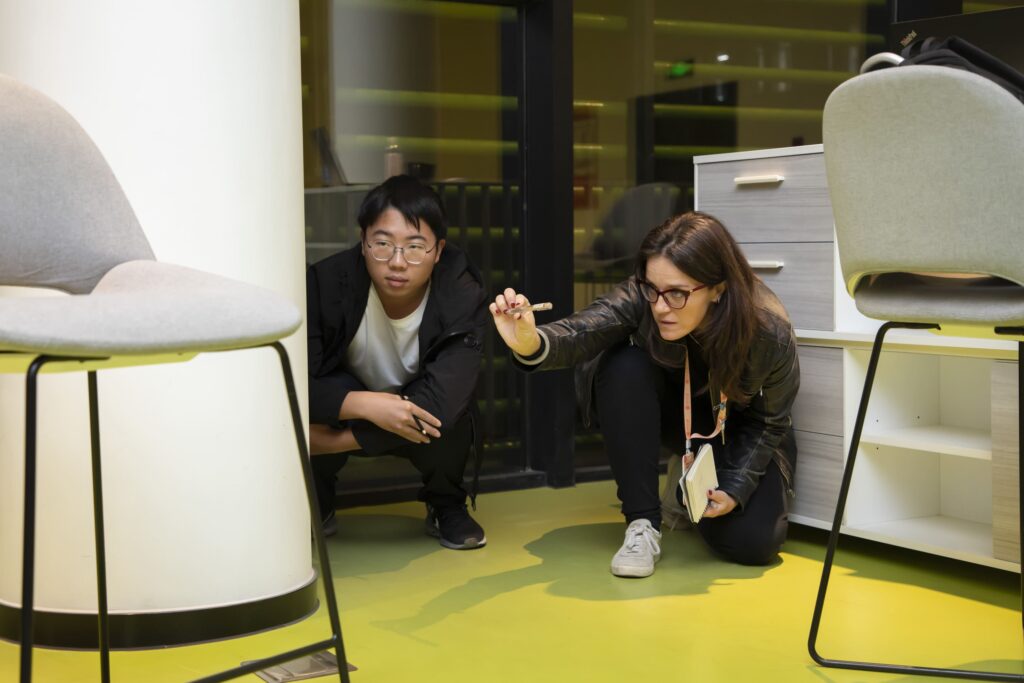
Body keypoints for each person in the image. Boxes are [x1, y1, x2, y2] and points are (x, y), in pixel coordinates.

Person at [490, 211, 799, 576]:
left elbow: (768, 421)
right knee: (623, 364)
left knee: (754, 545)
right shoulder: (646, 296)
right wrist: (529, 341)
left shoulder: (768, 331)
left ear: (719, 288)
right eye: (652, 289)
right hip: (674, 417)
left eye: (678, 294)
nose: (660, 307)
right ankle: (642, 523)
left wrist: (733, 486)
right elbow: (584, 330)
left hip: (736, 432)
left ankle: (686, 486)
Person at [307, 174, 488, 550]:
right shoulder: (325, 283)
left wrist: (337, 441)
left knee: (448, 419)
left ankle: (445, 503)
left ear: (438, 251)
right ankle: (317, 500)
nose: (397, 262)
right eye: (383, 244)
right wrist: (362, 405)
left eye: (415, 247)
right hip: (349, 398)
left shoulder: (460, 288)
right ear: (363, 243)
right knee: (320, 402)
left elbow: (444, 395)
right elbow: (301, 381)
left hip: (419, 402)